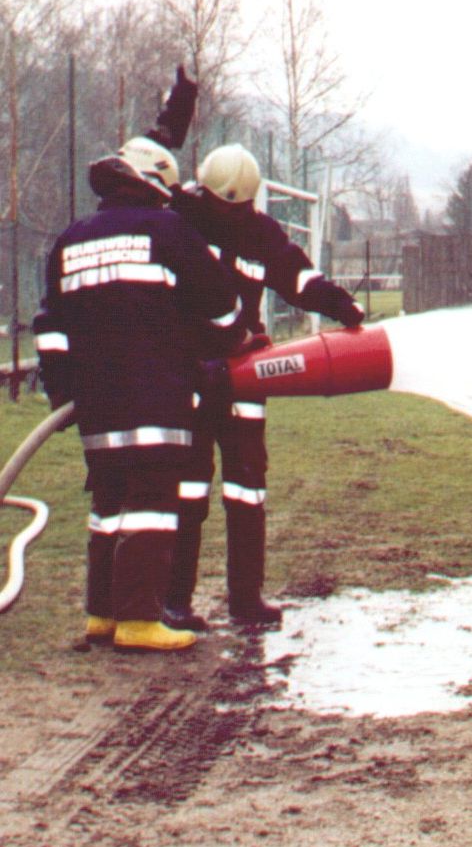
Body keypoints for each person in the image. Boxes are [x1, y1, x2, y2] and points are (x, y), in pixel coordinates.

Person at [32, 137, 244, 652]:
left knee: (109, 503)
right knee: (151, 502)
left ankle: (102, 615)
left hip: (94, 401)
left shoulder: (71, 238)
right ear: (155, 184)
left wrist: (63, 390)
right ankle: (140, 621)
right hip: (156, 395)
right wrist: (219, 347)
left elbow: (50, 327)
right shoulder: (167, 229)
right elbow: (222, 308)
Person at [162, 142, 365, 630]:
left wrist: (342, 305)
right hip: (191, 374)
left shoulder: (261, 232)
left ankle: (246, 599)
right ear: (205, 192)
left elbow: (299, 278)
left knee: (247, 489)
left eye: (240, 207)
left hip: (245, 378)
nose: (231, 214)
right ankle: (175, 601)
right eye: (224, 205)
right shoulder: (179, 220)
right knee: (187, 490)